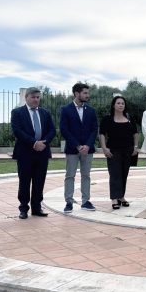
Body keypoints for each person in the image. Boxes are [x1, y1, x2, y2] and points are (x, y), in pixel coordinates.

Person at [11, 87, 55, 219]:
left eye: (38, 97)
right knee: (24, 181)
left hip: (42, 152)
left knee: (39, 181)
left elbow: (52, 131)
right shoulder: (17, 112)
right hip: (25, 153)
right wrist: (34, 143)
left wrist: (44, 142)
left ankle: (37, 208)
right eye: (33, 97)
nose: (36, 100)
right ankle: (23, 208)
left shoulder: (45, 113)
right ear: (26, 98)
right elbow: (17, 131)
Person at [60, 82, 98, 213]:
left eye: (88, 93)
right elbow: (64, 130)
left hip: (88, 149)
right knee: (70, 175)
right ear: (77, 94)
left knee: (86, 175)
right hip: (72, 149)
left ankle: (86, 201)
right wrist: (77, 145)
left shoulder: (91, 111)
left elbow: (94, 130)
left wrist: (87, 145)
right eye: (85, 93)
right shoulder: (65, 109)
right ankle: (69, 202)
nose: (88, 95)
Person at [99, 96, 139, 209]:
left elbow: (135, 134)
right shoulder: (107, 119)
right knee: (115, 174)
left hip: (128, 150)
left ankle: (121, 197)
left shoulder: (130, 118)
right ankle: (114, 199)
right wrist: (104, 148)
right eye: (118, 103)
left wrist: (135, 147)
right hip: (113, 151)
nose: (121, 105)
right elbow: (102, 134)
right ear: (113, 105)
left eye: (122, 103)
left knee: (124, 174)